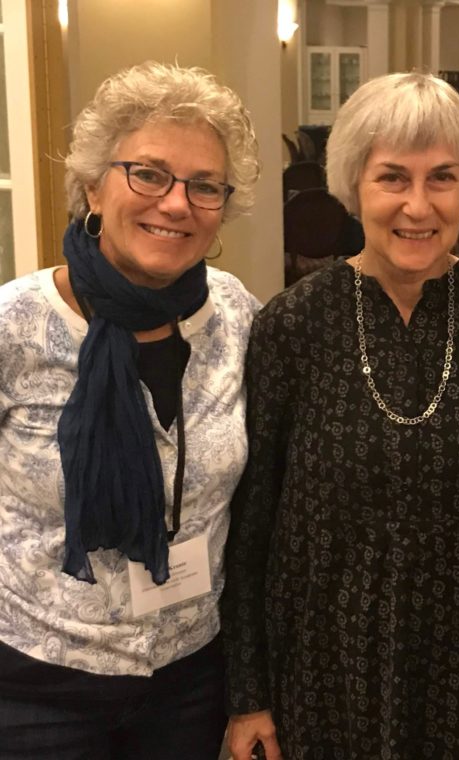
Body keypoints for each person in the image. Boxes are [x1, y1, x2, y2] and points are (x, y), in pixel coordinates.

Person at [220, 71, 459, 760]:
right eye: (392, 179)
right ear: (354, 186)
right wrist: (248, 691)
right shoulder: (292, 324)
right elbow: (253, 521)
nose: (418, 205)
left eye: (441, 178)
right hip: (328, 665)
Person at [0, 61, 261, 758]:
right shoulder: (15, 325)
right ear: (93, 184)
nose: (176, 203)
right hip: (37, 688)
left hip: (190, 680)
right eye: (147, 173)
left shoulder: (237, 317)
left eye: (203, 185)